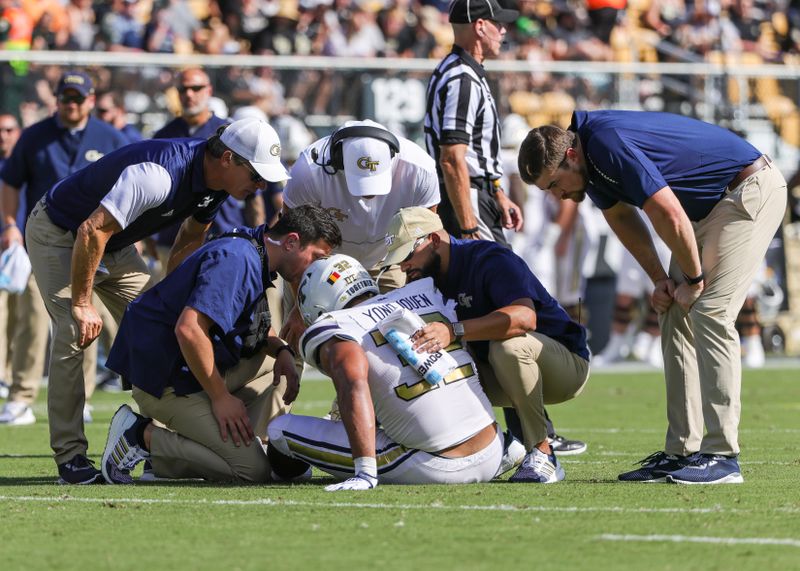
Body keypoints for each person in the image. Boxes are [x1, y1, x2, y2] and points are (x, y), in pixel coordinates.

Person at [519, 110, 788, 484]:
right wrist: (660, 280)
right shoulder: (589, 162)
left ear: (570, 157)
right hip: (711, 208)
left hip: (747, 190)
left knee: (710, 311)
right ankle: (681, 451)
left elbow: (667, 212)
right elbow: (622, 218)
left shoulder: (605, 144)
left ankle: (723, 455)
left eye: (553, 184)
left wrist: (692, 279)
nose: (557, 195)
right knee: (672, 308)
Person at [25, 116, 290, 484]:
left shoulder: (217, 186)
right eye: (256, 174)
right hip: (62, 233)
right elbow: (91, 230)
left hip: (112, 246)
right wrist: (83, 303)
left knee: (163, 326)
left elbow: (189, 239)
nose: (261, 185)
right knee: (75, 331)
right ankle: (71, 458)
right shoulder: (159, 174)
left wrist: (175, 298)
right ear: (228, 159)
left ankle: (153, 437)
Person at [100, 205, 341, 484]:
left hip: (188, 369)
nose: (317, 268)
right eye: (316, 257)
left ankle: (247, 443)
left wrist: (282, 350)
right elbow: (189, 330)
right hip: (165, 380)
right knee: (253, 471)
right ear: (291, 242)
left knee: (285, 362)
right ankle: (141, 437)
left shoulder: (257, 249)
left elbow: (257, 325)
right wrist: (220, 398)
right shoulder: (238, 258)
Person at [383, 207, 591, 483]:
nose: (403, 265)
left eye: (407, 255)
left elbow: (524, 318)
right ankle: (500, 444)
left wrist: (454, 331)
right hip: (498, 371)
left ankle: (543, 452)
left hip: (564, 367)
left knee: (507, 347)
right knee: (421, 364)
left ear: (433, 240)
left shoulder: (489, 258)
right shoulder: (424, 278)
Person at [267, 254, 506, 490]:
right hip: (494, 446)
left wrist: (365, 471)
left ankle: (294, 475)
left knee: (279, 430)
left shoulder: (336, 325)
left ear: (317, 302)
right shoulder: (425, 292)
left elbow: (351, 377)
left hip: (437, 464)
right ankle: (514, 446)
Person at [0, 71, 129, 426]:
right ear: (56, 99)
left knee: (87, 319)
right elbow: (10, 182)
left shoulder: (110, 137)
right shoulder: (34, 137)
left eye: (78, 98)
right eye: (66, 97)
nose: (72, 104)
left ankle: (83, 396)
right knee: (33, 321)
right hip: (42, 244)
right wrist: (10, 224)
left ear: (90, 100)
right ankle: (21, 396)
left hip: (94, 246)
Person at [279, 119, 440, 349]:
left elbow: (426, 234)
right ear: (338, 161)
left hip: (390, 258)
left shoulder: (420, 168)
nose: (369, 195)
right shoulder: (309, 170)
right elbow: (293, 243)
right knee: (294, 339)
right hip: (321, 262)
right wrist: (298, 305)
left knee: (406, 338)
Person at [424, 0, 523, 244]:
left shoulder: (459, 71)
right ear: (480, 26)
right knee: (501, 279)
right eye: (497, 23)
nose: (503, 31)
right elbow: (451, 158)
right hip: (468, 199)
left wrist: (497, 192)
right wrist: (469, 226)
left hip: (474, 194)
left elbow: (473, 154)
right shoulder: (462, 78)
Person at [0, 112, 20, 404]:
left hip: (29, 251)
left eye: (8, 130)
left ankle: (16, 377)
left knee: (25, 320)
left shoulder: (26, 163)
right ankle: (2, 377)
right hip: (4, 250)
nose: (2, 135)